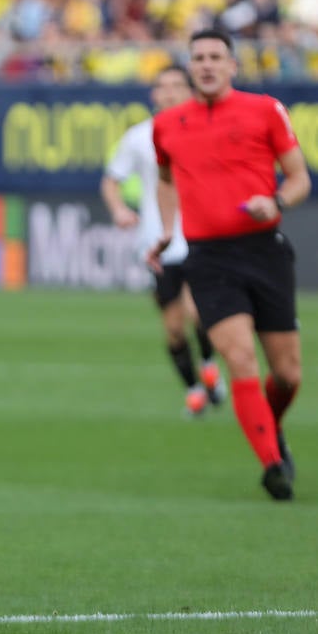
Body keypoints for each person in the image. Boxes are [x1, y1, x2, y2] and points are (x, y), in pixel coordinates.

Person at [149, 28, 310, 501]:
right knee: (240, 359)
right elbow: (164, 179)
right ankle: (273, 466)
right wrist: (166, 227)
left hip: (264, 250)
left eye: (216, 56)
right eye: (198, 57)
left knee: (287, 374)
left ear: (232, 65)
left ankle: (270, 427)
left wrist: (276, 199)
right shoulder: (168, 124)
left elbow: (301, 179)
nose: (206, 64)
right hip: (209, 258)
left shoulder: (265, 110)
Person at [101, 64, 224, 416]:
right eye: (163, 86)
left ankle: (210, 363)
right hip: (158, 241)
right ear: (153, 94)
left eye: (176, 86)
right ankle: (195, 389)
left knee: (198, 312)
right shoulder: (140, 136)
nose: (169, 93)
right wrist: (120, 210)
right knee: (173, 328)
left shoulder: (207, 128)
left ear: (190, 90)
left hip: (201, 237)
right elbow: (112, 180)